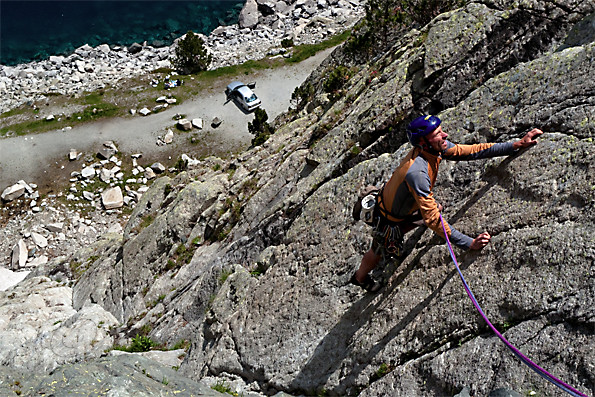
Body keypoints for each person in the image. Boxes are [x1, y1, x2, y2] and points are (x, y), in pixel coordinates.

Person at [350, 115, 543, 292]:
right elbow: (434, 220)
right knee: (378, 248)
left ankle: (407, 226)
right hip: (388, 217)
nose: (445, 134)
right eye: (438, 134)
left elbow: (471, 151)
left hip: (403, 206)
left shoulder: (431, 149)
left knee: (434, 211)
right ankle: (360, 278)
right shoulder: (417, 172)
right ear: (423, 142)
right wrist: (469, 244)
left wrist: (515, 145)